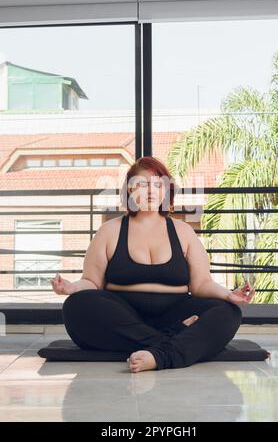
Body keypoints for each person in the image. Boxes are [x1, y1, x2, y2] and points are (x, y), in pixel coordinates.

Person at [51, 156, 256, 372]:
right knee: (76, 305)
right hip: (124, 315)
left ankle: (158, 354)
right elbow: (92, 281)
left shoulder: (183, 232)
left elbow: (201, 284)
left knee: (228, 312)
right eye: (141, 184)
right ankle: (175, 343)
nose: (150, 191)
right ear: (129, 191)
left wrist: (228, 295)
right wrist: (72, 288)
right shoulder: (109, 231)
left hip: (175, 312)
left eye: (158, 184)